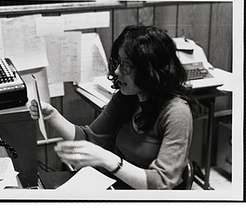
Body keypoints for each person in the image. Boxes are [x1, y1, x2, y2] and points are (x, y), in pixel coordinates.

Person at [29, 25, 200, 189]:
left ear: (149, 70)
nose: (117, 71)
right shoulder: (127, 98)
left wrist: (107, 159)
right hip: (118, 186)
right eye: (118, 63)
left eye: (126, 65)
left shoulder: (177, 113)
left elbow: (161, 183)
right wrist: (52, 115)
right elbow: (91, 138)